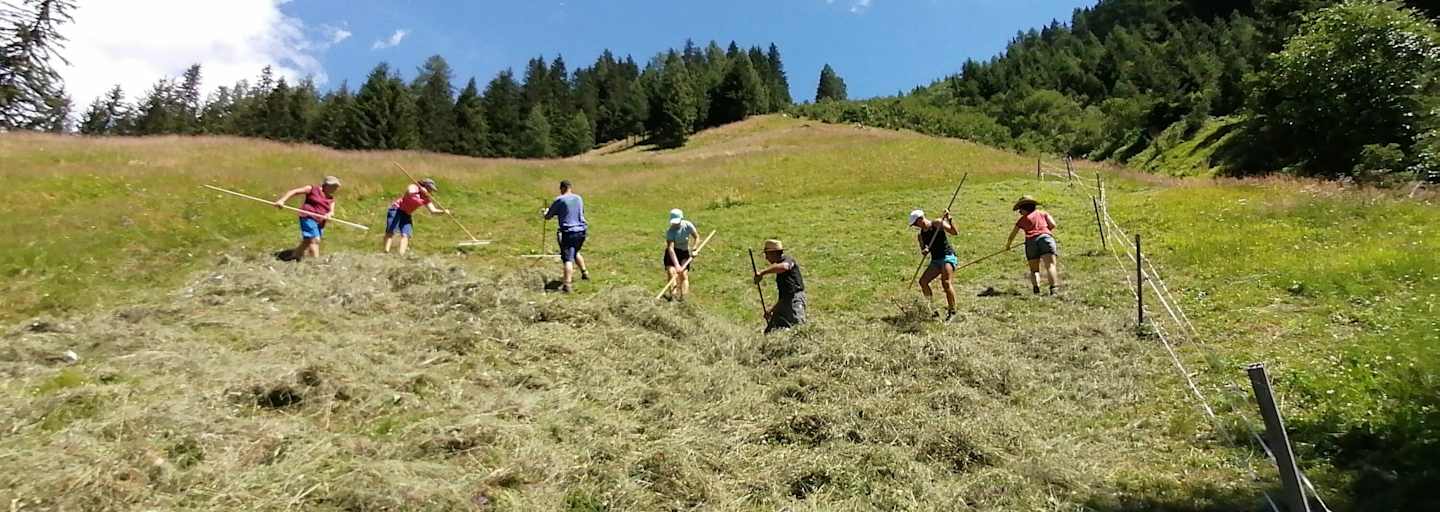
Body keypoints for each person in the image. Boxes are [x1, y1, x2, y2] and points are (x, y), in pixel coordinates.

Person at [274, 176, 341, 262]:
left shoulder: (331, 200)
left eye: (336, 187)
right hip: (308, 217)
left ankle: (295, 255)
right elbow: (294, 192)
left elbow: (331, 212)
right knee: (315, 240)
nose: (335, 189)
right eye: (334, 186)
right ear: (326, 185)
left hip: (320, 222)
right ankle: (316, 263)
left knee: (307, 241)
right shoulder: (312, 189)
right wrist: (282, 200)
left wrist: (329, 215)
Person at [1005, 195, 1060, 295]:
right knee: (1050, 265)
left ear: (1025, 208)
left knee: (1034, 269)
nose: (1019, 212)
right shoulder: (1043, 213)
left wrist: (1008, 245)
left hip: (1031, 242)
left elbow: (1013, 234)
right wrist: (1044, 232)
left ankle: (1036, 289)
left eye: (1020, 210)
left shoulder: (1022, 220)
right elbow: (1053, 224)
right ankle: (1054, 289)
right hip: (1046, 238)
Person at [910, 208, 959, 320]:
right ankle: (933, 309)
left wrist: (949, 219)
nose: (916, 226)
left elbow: (955, 232)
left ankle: (952, 311)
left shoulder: (937, 223)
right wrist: (925, 250)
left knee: (946, 282)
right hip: (936, 260)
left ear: (920, 219)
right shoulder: (921, 235)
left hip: (947, 256)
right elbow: (923, 250)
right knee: (923, 282)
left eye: (915, 223)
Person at [543, 180, 589, 293]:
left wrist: (545, 212)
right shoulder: (578, 198)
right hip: (581, 230)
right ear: (570, 187)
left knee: (567, 258)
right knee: (575, 251)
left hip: (569, 232)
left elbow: (548, 216)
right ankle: (585, 273)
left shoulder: (559, 200)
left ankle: (567, 285)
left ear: (562, 188)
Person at [383, 178, 449, 254]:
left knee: (406, 234)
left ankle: (401, 254)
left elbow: (433, 211)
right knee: (391, 230)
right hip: (396, 209)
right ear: (425, 186)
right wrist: (421, 190)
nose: (431, 192)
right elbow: (409, 192)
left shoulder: (426, 198)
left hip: (407, 213)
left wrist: (443, 211)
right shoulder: (414, 187)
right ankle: (386, 251)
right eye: (430, 189)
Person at [753, 239, 806, 333]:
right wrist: (771, 311)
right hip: (785, 302)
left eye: (767, 254)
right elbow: (784, 296)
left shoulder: (788, 261)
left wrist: (762, 273)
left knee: (798, 330)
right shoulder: (779, 270)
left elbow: (784, 267)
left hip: (795, 301)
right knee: (770, 331)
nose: (766, 258)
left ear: (774, 253)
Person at [663, 209, 699, 301]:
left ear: (681, 218)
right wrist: (677, 265)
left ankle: (684, 299)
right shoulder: (670, 231)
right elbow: (670, 249)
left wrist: (695, 248)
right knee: (672, 272)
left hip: (684, 252)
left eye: (677, 221)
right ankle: (673, 298)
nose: (675, 224)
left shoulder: (688, 225)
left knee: (684, 274)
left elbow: (697, 237)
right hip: (672, 253)